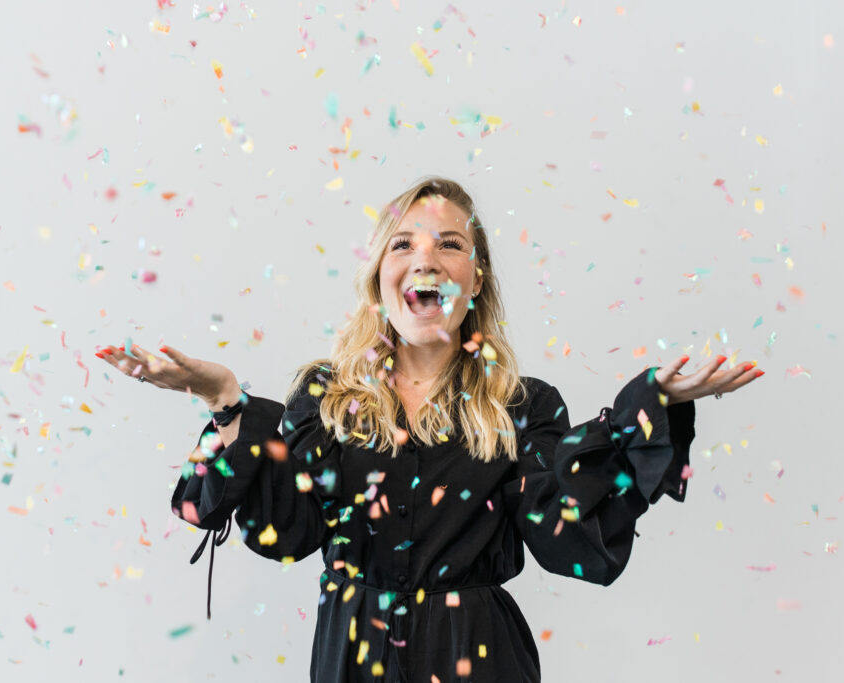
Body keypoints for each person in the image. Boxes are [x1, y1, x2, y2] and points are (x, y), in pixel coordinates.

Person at [95, 175, 763, 682]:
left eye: (450, 244)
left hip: (479, 655)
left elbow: (568, 540)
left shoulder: (523, 407)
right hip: (353, 652)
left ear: (476, 279)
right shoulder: (325, 399)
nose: (427, 258)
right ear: (379, 278)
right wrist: (227, 398)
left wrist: (649, 405)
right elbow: (288, 533)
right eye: (403, 243)